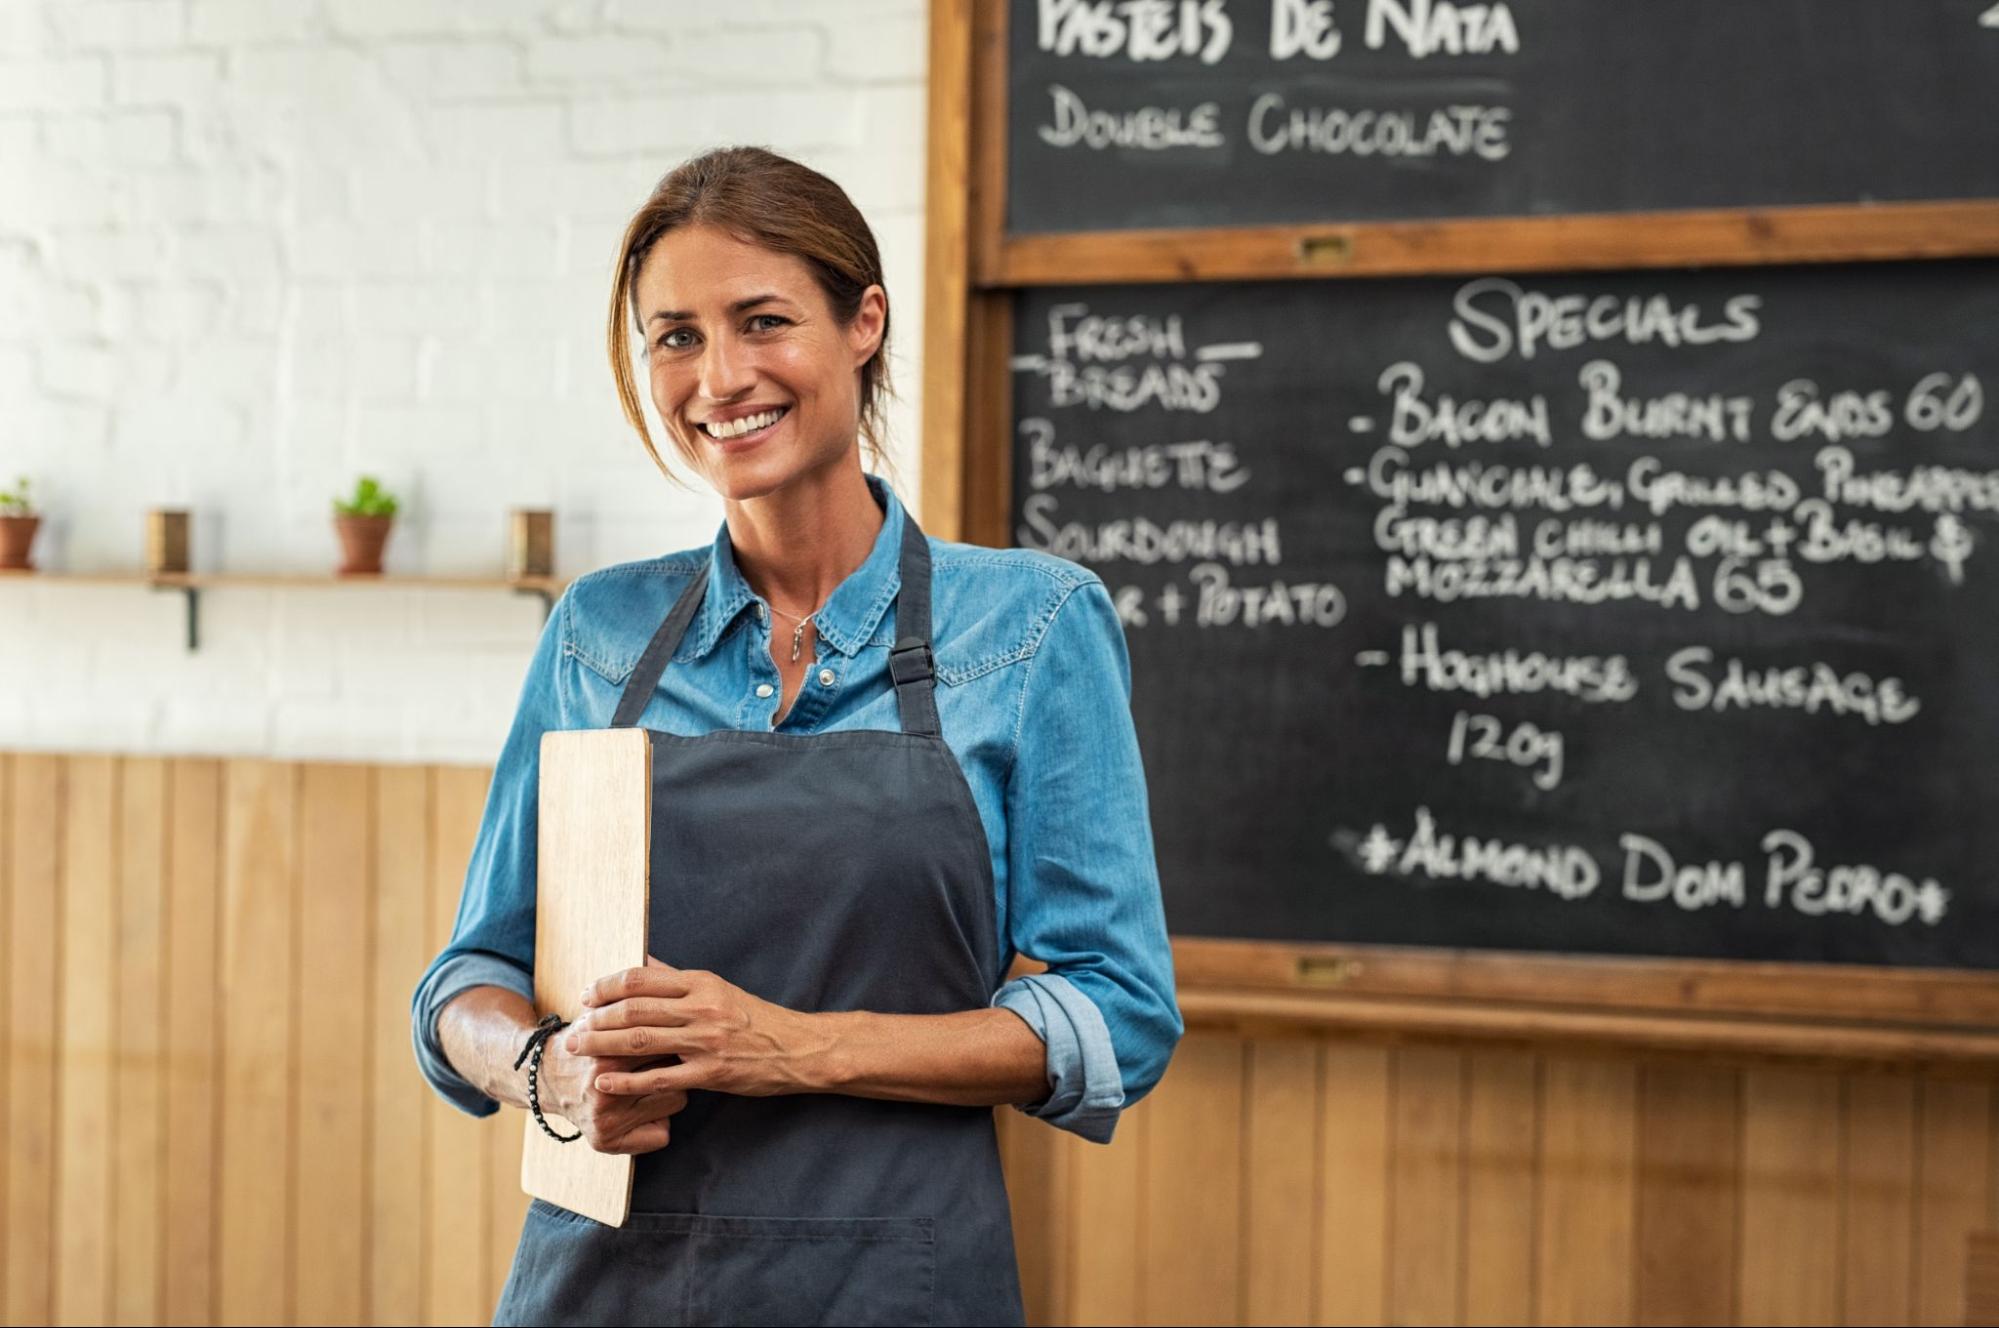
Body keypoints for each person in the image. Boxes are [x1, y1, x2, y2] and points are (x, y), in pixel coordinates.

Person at [408, 145, 1182, 1327]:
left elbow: (1116, 1007)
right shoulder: (600, 634)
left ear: (862, 323)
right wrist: (544, 1068)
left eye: (761, 320)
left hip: (897, 1283)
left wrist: (798, 1047)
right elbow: (468, 977)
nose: (718, 376)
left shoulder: (1030, 627)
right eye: (675, 335)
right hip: (601, 1283)